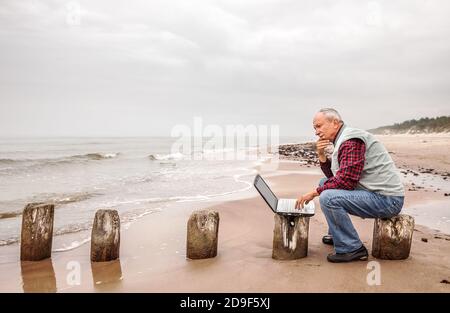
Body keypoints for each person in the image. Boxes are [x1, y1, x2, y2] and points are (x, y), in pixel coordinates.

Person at [295, 108, 405, 263]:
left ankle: (352, 248)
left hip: (387, 200)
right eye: (315, 128)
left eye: (319, 126)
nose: (316, 132)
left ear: (335, 123)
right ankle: (337, 235)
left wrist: (314, 193)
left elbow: (346, 181)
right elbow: (335, 179)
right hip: (376, 194)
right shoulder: (343, 139)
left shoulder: (351, 140)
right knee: (324, 184)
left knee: (327, 197)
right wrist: (321, 155)